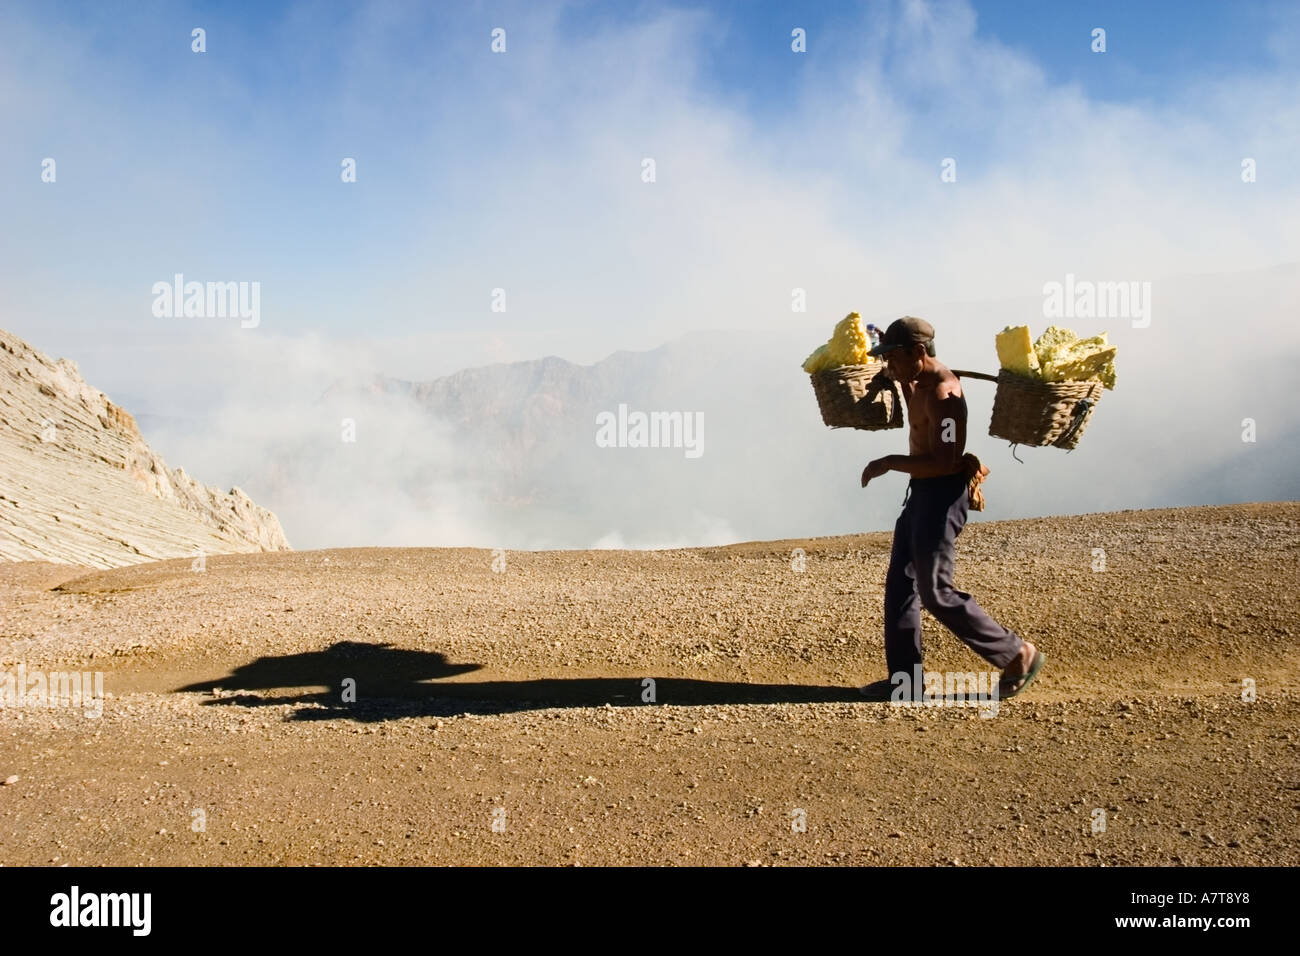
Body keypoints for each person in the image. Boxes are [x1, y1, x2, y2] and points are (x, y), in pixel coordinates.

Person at [859, 317, 1045, 700]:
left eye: (894, 358)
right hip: (920, 495)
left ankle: (1018, 654)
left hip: (942, 496)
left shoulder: (945, 394)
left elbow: (945, 460)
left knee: (935, 592)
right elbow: (905, 386)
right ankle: (905, 682)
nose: (889, 366)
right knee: (900, 587)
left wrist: (888, 461)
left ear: (919, 352)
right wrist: (884, 356)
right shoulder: (916, 380)